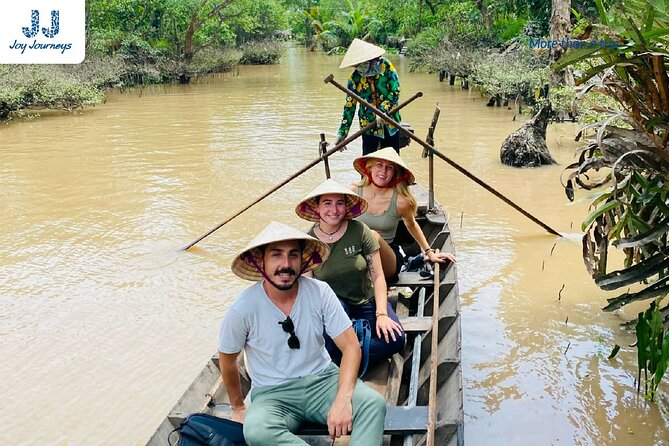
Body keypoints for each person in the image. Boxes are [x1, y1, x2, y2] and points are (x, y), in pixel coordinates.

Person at [218, 221, 386, 445]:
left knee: (373, 404)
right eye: (276, 255)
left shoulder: (320, 292)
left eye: (293, 255)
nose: (285, 264)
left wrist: (343, 400)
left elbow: (351, 346)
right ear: (262, 261)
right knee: (257, 431)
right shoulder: (243, 309)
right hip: (272, 394)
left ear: (302, 260)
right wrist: (238, 407)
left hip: (323, 380)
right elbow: (227, 360)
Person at [295, 179, 405, 368]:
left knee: (396, 339)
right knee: (329, 329)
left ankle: (349, 350)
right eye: (327, 203)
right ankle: (351, 346)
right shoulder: (309, 242)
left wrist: (381, 315)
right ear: (318, 208)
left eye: (340, 203)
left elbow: (378, 275)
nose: (334, 210)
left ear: (346, 207)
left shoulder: (360, 231)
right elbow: (309, 288)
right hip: (332, 309)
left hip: (366, 302)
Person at [351, 147, 457, 280]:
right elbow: (342, 221)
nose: (383, 171)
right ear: (370, 167)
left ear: (394, 173)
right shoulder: (354, 194)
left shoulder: (401, 201)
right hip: (355, 254)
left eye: (389, 167)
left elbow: (412, 225)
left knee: (373, 236)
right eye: (379, 165)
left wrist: (429, 253)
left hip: (387, 259)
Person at [336, 38, 401, 155]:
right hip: (369, 127)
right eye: (356, 66)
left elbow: (395, 90)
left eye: (360, 64)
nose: (358, 68)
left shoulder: (386, 67)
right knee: (368, 162)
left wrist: (383, 111)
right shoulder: (354, 79)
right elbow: (349, 107)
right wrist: (342, 133)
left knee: (393, 163)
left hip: (390, 123)